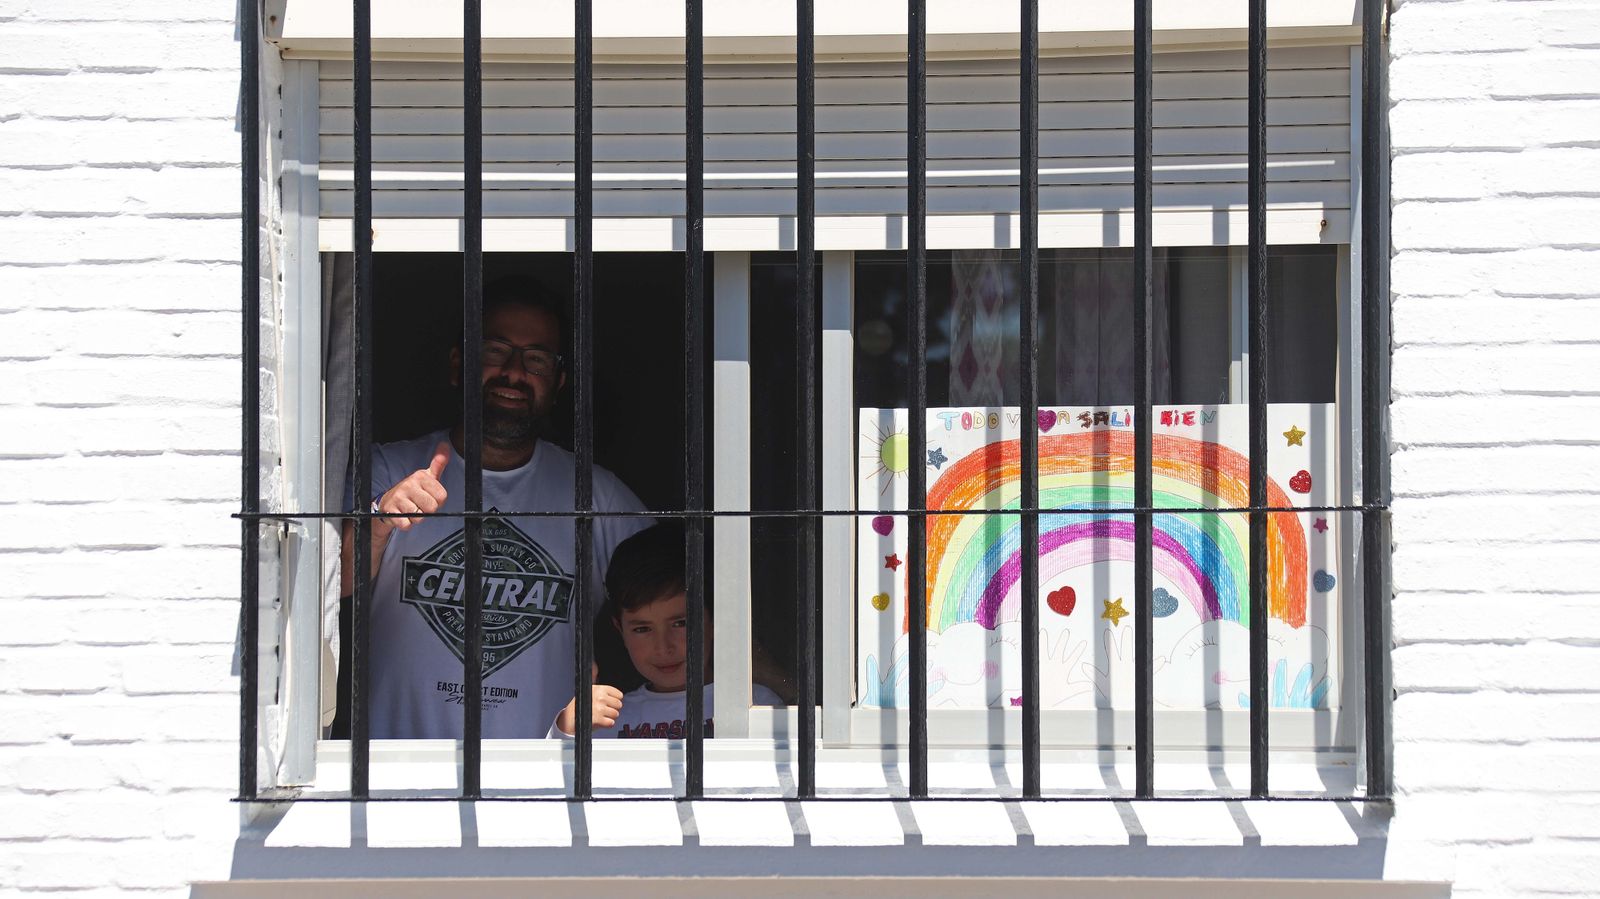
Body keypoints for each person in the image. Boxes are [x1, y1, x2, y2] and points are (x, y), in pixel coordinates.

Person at [341, 278, 646, 739]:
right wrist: (381, 521)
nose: (514, 372)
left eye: (537, 359)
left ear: (559, 382)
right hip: (395, 777)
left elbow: (686, 604)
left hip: (541, 782)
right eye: (495, 350)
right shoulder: (389, 468)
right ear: (458, 364)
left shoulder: (596, 497)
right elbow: (326, 589)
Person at [551, 523, 782, 739]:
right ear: (620, 629)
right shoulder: (606, 716)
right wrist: (565, 730)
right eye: (642, 629)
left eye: (680, 623)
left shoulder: (755, 704)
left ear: (716, 619)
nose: (663, 646)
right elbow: (551, 778)